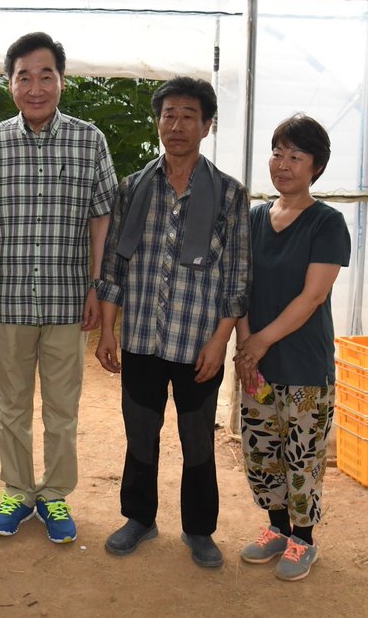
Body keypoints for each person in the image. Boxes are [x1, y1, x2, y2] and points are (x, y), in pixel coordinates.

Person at [0, 31, 118, 544]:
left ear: (62, 81)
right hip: (6, 298)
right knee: (11, 405)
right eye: (24, 76)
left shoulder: (89, 140)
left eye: (45, 75)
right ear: (10, 84)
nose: (35, 86)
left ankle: (53, 495)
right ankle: (16, 491)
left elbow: (102, 219)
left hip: (68, 300)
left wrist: (98, 285)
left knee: (62, 408)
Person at [95, 76, 250, 569]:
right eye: (168, 115)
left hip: (198, 343)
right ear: (158, 121)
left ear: (207, 125)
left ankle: (199, 529)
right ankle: (139, 519)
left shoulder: (229, 194)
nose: (176, 125)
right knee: (140, 432)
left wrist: (220, 340)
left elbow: (238, 276)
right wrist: (107, 332)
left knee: (198, 439)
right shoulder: (133, 188)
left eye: (188, 116)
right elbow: (114, 268)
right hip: (141, 337)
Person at [233, 113, 350, 581]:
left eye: (295, 157)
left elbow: (312, 296)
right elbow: (239, 286)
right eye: (277, 153)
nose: (283, 165)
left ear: (316, 166)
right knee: (262, 450)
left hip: (303, 364)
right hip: (256, 362)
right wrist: (245, 348)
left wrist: (258, 342)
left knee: (302, 453)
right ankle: (277, 529)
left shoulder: (326, 223)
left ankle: (304, 540)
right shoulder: (255, 217)